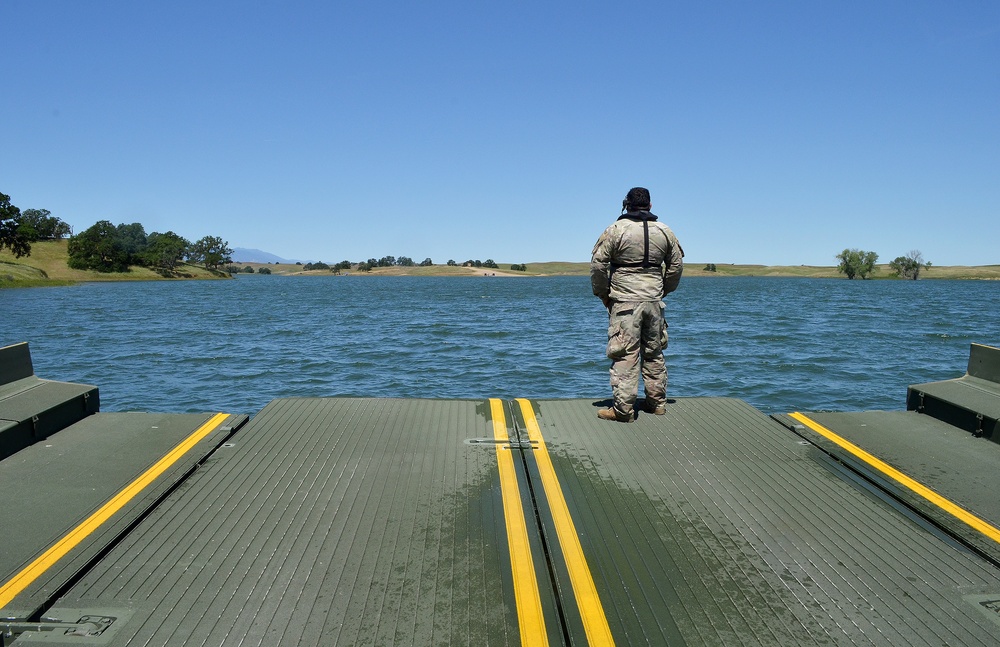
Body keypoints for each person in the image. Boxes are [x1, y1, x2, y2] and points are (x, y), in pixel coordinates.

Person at [590, 187, 683, 422]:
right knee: (654, 352)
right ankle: (657, 403)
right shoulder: (665, 232)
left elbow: (598, 265)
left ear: (626, 204)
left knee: (624, 355)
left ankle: (623, 410)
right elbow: (676, 266)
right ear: (650, 206)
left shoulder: (615, 230)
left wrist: (604, 294)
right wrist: (663, 289)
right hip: (654, 301)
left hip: (624, 301)